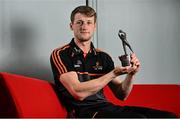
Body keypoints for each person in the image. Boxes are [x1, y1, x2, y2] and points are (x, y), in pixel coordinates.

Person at [50, 6, 177, 118]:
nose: (84, 27)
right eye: (79, 22)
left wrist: (131, 74)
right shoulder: (60, 54)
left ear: (94, 26)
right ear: (71, 26)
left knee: (168, 117)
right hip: (83, 112)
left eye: (89, 22)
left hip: (106, 107)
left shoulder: (103, 57)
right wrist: (113, 73)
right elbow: (78, 93)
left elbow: (122, 95)